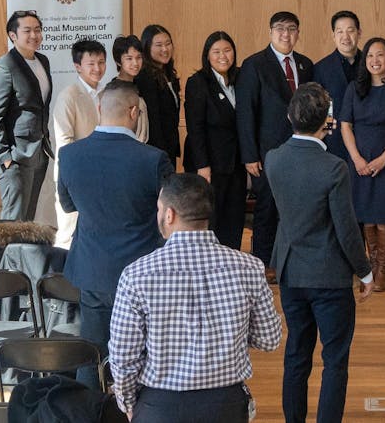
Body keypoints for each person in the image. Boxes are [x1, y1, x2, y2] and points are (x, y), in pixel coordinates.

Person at [109, 174, 282, 422]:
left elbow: (124, 354)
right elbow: (269, 339)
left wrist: (127, 402)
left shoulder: (137, 274)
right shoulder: (249, 267)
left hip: (159, 405)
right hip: (226, 404)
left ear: (169, 214)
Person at [265, 83, 373, 423]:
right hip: (329, 277)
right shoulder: (334, 167)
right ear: (327, 121)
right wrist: (365, 271)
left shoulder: (273, 158)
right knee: (335, 360)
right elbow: (345, 228)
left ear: (289, 116)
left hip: (290, 272)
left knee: (297, 354)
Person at [58, 81, 174, 389]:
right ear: (134, 112)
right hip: (143, 273)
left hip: (92, 269)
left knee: (92, 354)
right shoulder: (154, 159)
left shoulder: (69, 155)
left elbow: (69, 205)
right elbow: (169, 217)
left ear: (99, 109)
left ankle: (89, 411)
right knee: (147, 355)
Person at [236, 11, 314, 280]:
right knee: (268, 208)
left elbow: (318, 107)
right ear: (270, 32)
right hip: (267, 154)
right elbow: (246, 113)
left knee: (299, 208)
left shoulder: (305, 64)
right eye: (280, 29)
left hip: (302, 152)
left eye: (291, 29)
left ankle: (296, 261)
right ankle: (264, 264)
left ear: (298, 33)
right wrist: (249, 155)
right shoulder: (254, 64)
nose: (285, 34)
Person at [339, 37, 385, 292]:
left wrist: (383, 159)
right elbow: (345, 125)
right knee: (365, 218)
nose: (375, 61)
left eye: (380, 55)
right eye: (369, 56)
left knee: (384, 216)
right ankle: (370, 267)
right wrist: (357, 159)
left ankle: (383, 268)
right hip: (358, 162)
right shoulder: (353, 88)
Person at [0, 10, 53, 221]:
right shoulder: (3, 67)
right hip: (14, 156)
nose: (34, 35)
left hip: (38, 152)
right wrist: (5, 159)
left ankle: (22, 255)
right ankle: (5, 256)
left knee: (27, 221)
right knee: (12, 222)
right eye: (27, 31)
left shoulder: (43, 60)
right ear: (13, 35)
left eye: (38, 30)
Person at [184, 31, 246, 250]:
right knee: (211, 217)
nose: (223, 56)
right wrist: (203, 166)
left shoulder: (241, 78)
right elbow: (195, 128)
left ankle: (230, 261)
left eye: (227, 51)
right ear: (207, 55)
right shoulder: (198, 82)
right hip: (209, 164)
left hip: (236, 162)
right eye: (216, 52)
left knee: (234, 216)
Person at [52, 39, 107, 248]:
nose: (97, 68)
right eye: (91, 64)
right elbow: (64, 143)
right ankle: (61, 279)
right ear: (78, 67)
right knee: (70, 232)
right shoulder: (69, 96)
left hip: (101, 173)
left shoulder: (106, 93)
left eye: (101, 62)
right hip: (75, 174)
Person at [313, 10, 363, 161]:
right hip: (334, 140)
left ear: (359, 33)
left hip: (367, 137)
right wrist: (328, 129)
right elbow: (321, 105)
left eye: (350, 31)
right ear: (333, 35)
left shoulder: (371, 64)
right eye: (340, 31)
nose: (345, 37)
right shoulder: (321, 68)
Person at [136, 24, 181, 165]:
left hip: (169, 147)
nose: (165, 49)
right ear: (147, 47)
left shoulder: (168, 74)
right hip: (156, 151)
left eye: (168, 44)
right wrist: (162, 154)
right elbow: (153, 119)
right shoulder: (145, 77)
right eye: (159, 45)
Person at [108, 34, 149, 143]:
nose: (135, 63)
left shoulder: (141, 85)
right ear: (118, 61)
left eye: (138, 57)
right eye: (129, 58)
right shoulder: (113, 91)